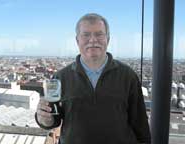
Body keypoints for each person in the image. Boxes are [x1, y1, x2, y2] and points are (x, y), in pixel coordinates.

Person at [35, 13, 151, 144]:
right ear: (77, 40)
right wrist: (44, 118)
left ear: (108, 39)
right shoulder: (60, 77)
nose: (93, 40)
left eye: (99, 34)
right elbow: (52, 120)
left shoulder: (128, 76)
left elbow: (140, 125)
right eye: (86, 34)